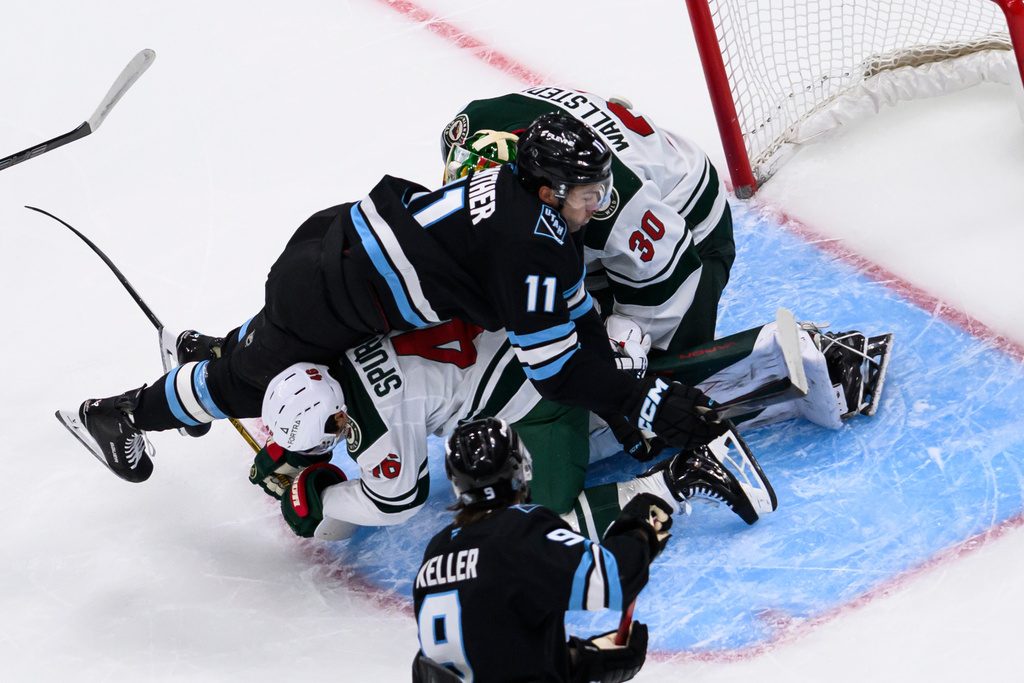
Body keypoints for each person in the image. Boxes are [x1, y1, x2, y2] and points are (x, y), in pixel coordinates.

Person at [56, 112, 728, 484]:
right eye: (589, 194)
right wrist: (636, 396)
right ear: (550, 189)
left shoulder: (529, 204)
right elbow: (550, 368)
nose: (600, 204)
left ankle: (229, 351)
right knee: (247, 386)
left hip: (344, 240)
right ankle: (119, 412)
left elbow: (566, 300)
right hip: (328, 288)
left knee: (272, 351)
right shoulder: (532, 239)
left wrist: (603, 342)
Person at [248, 323, 776, 543]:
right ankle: (764, 348)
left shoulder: (372, 425)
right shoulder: (337, 347)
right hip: (548, 341)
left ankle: (675, 481)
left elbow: (394, 504)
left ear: (338, 420)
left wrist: (316, 495)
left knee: (517, 524)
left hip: (540, 404)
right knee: (625, 403)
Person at [440, 86, 735, 354]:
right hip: (619, 168)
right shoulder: (465, 136)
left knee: (651, 360)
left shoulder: (601, 204)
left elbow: (669, 274)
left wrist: (628, 330)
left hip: (683, 219)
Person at [405, 417, 670, 683]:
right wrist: (638, 532)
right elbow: (615, 579)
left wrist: (583, 659)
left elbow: (480, 656)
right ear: (521, 466)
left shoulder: (436, 550)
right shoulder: (520, 530)